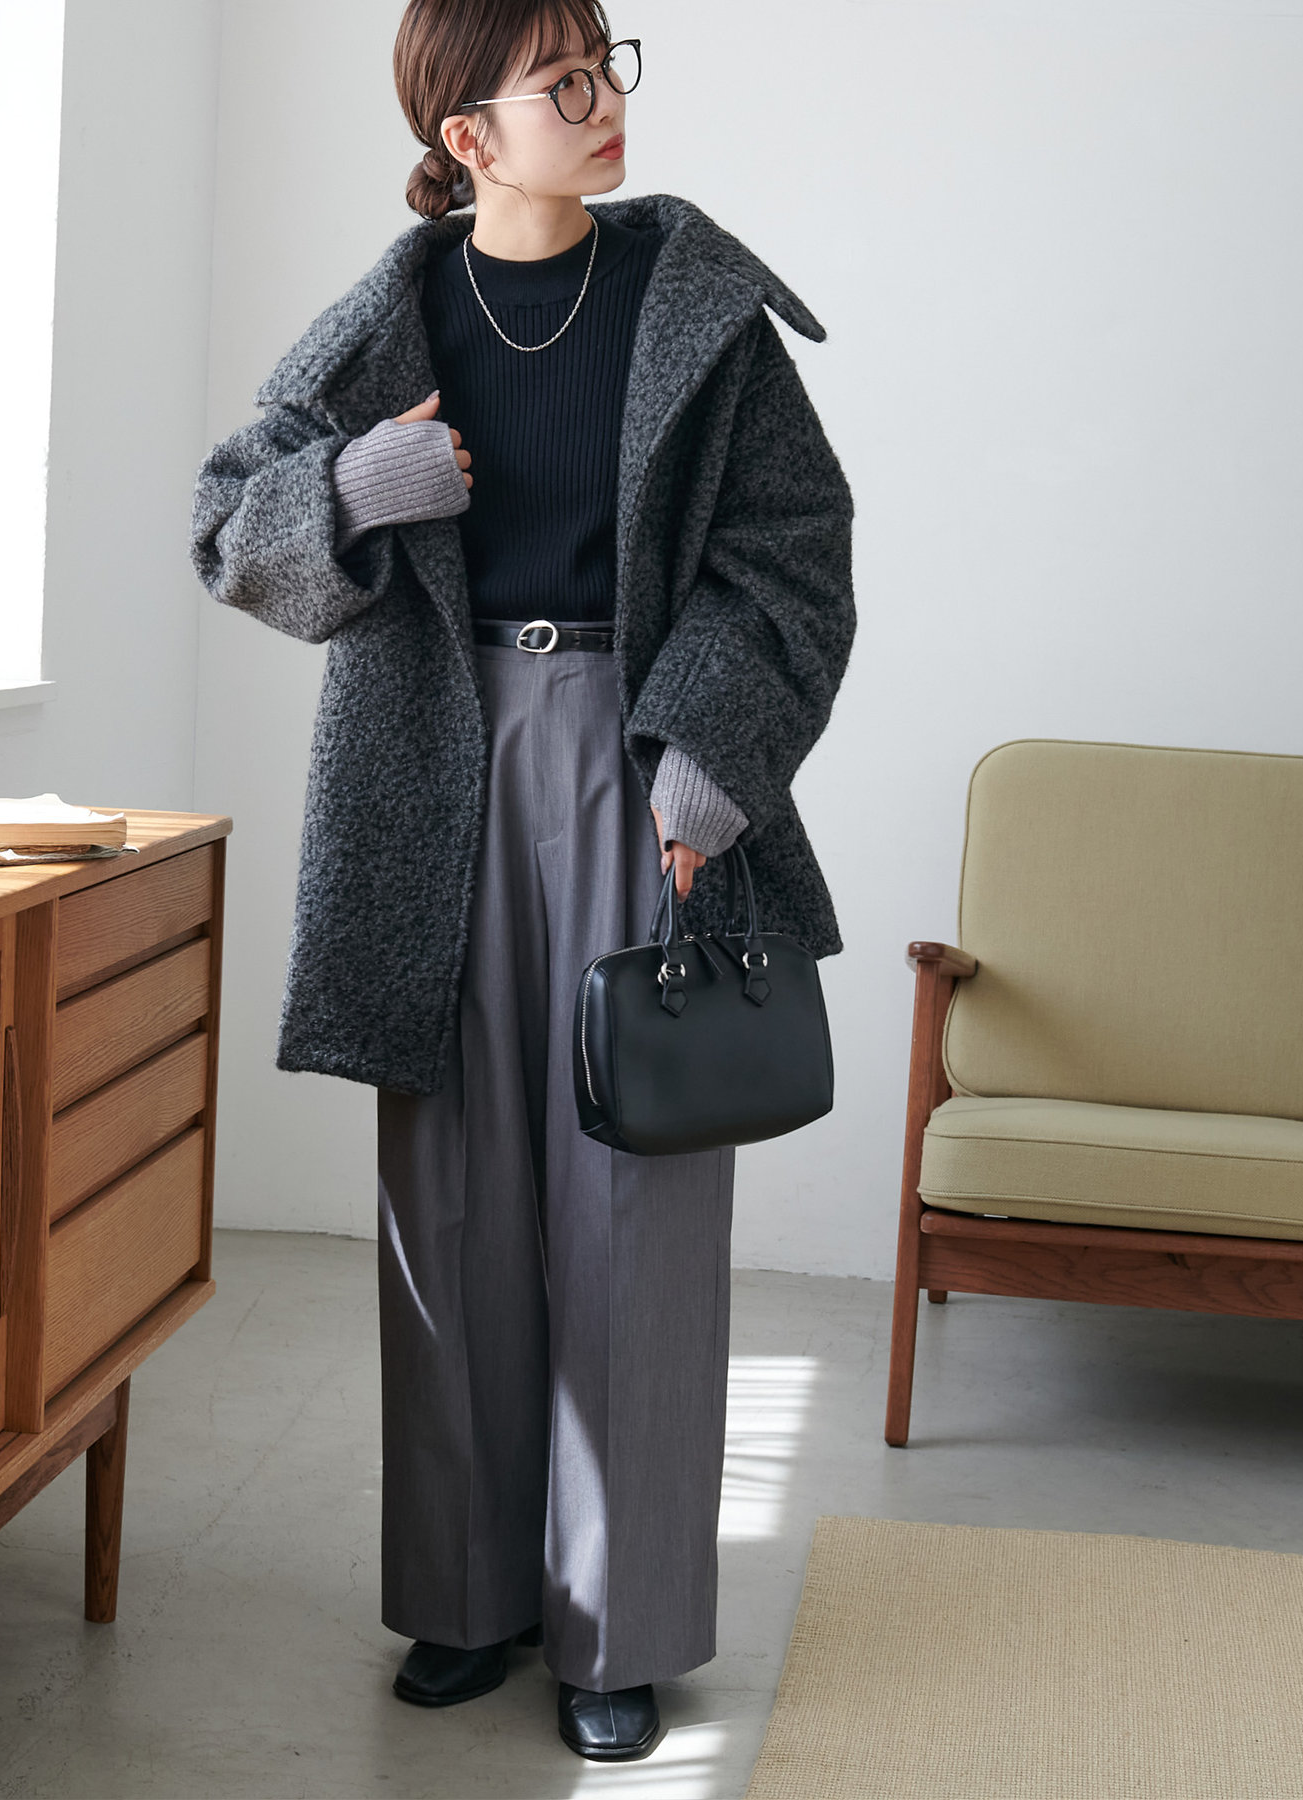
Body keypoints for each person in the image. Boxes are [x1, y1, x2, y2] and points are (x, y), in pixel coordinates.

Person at [188, 0, 854, 1764]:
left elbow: (795, 549)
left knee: (638, 1192)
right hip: (430, 774)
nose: (601, 99)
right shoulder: (386, 327)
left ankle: (618, 1625)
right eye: (560, 80)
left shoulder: (694, 308)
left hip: (641, 758)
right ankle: (466, 1596)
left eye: (605, 62)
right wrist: (357, 484)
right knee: (451, 1191)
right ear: (468, 137)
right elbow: (227, 529)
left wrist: (709, 757)